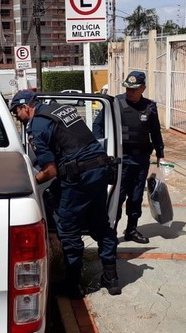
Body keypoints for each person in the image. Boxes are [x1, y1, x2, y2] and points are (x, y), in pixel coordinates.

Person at [10, 89, 121, 298]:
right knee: (100, 224)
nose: (17, 117)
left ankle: (73, 285)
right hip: (100, 170)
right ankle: (111, 278)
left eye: (17, 112)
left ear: (26, 107)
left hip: (78, 177)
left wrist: (30, 181)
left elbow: (50, 171)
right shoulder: (62, 109)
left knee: (69, 232)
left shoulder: (37, 125)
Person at [115, 71, 165, 244]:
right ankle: (111, 232)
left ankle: (132, 230)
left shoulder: (150, 107)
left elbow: (155, 132)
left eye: (134, 89)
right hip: (121, 160)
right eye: (128, 88)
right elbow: (100, 126)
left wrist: (160, 153)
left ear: (143, 88)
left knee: (136, 197)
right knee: (117, 197)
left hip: (141, 160)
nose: (130, 91)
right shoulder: (116, 103)